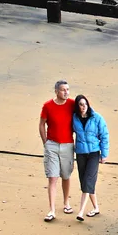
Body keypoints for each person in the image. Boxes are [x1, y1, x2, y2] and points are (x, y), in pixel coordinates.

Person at [38, 80, 76, 221]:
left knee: (66, 175)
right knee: (52, 177)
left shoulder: (72, 104)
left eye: (67, 89)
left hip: (67, 145)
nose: (66, 92)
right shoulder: (48, 106)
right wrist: (45, 142)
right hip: (52, 145)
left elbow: (85, 113)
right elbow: (41, 124)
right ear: (56, 91)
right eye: (63, 90)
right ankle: (52, 210)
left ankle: (66, 203)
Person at [71, 94, 109, 222]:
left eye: (85, 104)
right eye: (80, 105)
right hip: (81, 153)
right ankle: (96, 208)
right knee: (85, 182)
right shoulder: (74, 118)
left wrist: (104, 154)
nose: (83, 107)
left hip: (94, 153)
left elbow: (104, 135)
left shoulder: (96, 118)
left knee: (88, 180)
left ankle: (81, 212)